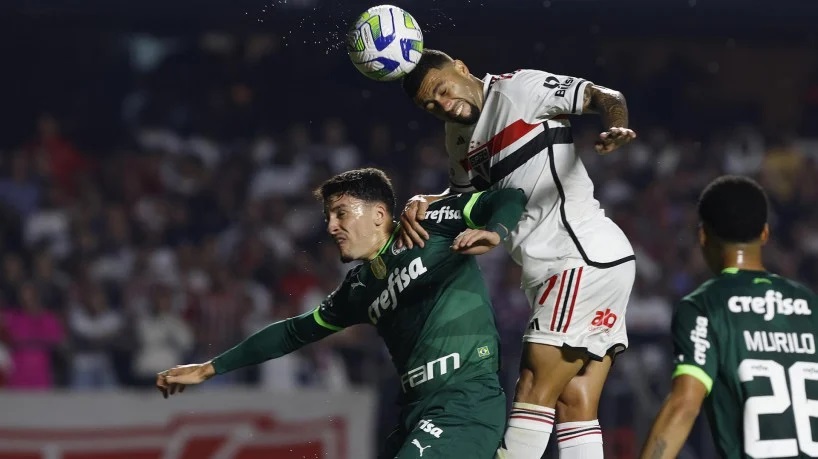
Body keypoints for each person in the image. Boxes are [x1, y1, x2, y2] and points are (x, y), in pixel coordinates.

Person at [155, 167, 528, 459]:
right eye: (329, 216)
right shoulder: (358, 289)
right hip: (416, 411)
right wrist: (208, 368)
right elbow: (292, 332)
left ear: (379, 214)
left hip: (465, 402)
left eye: (341, 213)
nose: (332, 226)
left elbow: (508, 196)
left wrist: (495, 230)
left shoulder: (428, 223)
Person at [398, 49, 637, 459]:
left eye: (441, 90)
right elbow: (467, 200)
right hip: (576, 265)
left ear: (460, 67)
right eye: (429, 106)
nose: (441, 105)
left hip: (577, 255)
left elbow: (603, 95)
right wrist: (425, 200)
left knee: (531, 388)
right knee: (574, 404)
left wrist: (616, 126)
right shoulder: (457, 137)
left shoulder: (519, 89)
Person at [640, 175, 818, 459]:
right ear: (764, 234)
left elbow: (684, 405)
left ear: (702, 235)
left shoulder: (704, 305)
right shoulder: (809, 302)